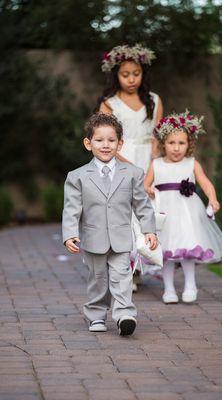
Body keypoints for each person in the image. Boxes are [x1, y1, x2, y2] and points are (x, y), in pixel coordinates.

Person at [62, 113, 157, 336]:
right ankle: (96, 315)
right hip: (93, 238)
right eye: (99, 140)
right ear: (88, 143)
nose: (105, 145)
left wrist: (149, 230)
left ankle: (125, 315)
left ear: (120, 143)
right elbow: (72, 208)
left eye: (111, 140)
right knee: (97, 279)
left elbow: (142, 205)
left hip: (122, 238)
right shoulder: (77, 177)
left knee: (121, 276)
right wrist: (69, 234)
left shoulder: (133, 173)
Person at [144, 110, 222, 304]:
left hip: (187, 212)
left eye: (181, 143)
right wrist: (149, 190)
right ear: (163, 144)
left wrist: (213, 198)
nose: (176, 148)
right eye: (171, 143)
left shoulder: (192, 163)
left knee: (187, 248)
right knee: (165, 252)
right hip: (165, 212)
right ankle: (168, 289)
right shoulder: (156, 164)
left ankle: (190, 285)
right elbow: (145, 184)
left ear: (189, 144)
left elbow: (205, 182)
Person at [96, 44, 164, 291]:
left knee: (146, 213)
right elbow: (105, 140)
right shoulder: (109, 103)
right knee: (123, 214)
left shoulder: (154, 101)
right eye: (126, 74)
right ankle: (123, 268)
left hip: (149, 161)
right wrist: (130, 166)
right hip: (120, 160)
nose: (132, 79)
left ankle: (140, 267)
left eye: (136, 73)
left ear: (143, 73)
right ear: (116, 75)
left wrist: (152, 168)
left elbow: (157, 137)